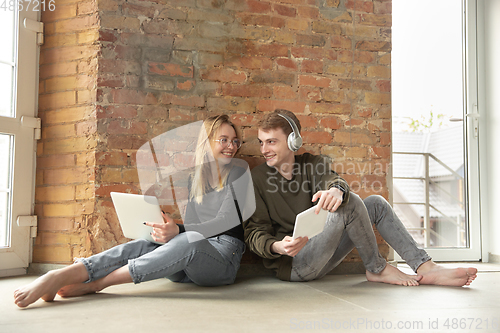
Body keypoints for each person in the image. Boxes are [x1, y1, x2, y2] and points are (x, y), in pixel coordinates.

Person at [14, 115, 252, 308]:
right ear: (207, 142)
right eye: (224, 139)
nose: (231, 146)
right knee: (144, 243)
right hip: (186, 263)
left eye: (234, 141)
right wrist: (166, 228)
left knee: (188, 239)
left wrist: (179, 229)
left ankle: (97, 284)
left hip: (222, 260)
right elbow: (193, 225)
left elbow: (224, 222)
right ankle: (62, 275)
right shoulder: (195, 179)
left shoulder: (240, 173)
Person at [243, 109, 477, 287]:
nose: (264, 150)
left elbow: (332, 179)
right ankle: (376, 268)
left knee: (374, 202)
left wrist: (336, 190)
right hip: (295, 265)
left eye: (271, 141)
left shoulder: (312, 164)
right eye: (262, 142)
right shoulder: (256, 179)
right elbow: (254, 233)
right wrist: (278, 246)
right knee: (353, 202)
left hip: (324, 254)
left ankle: (426, 266)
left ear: (293, 141)